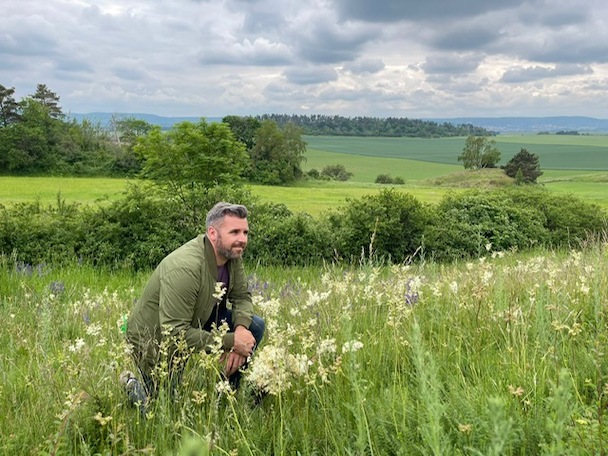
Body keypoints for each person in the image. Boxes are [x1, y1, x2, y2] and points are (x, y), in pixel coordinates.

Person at [122, 202, 265, 412]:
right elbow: (174, 333)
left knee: (255, 326)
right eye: (234, 232)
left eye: (245, 232)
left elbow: (242, 296)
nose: (242, 239)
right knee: (163, 411)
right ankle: (133, 386)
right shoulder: (185, 268)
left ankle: (225, 397)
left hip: (199, 317)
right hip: (156, 338)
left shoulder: (232, 256)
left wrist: (241, 333)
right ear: (212, 233)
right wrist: (230, 341)